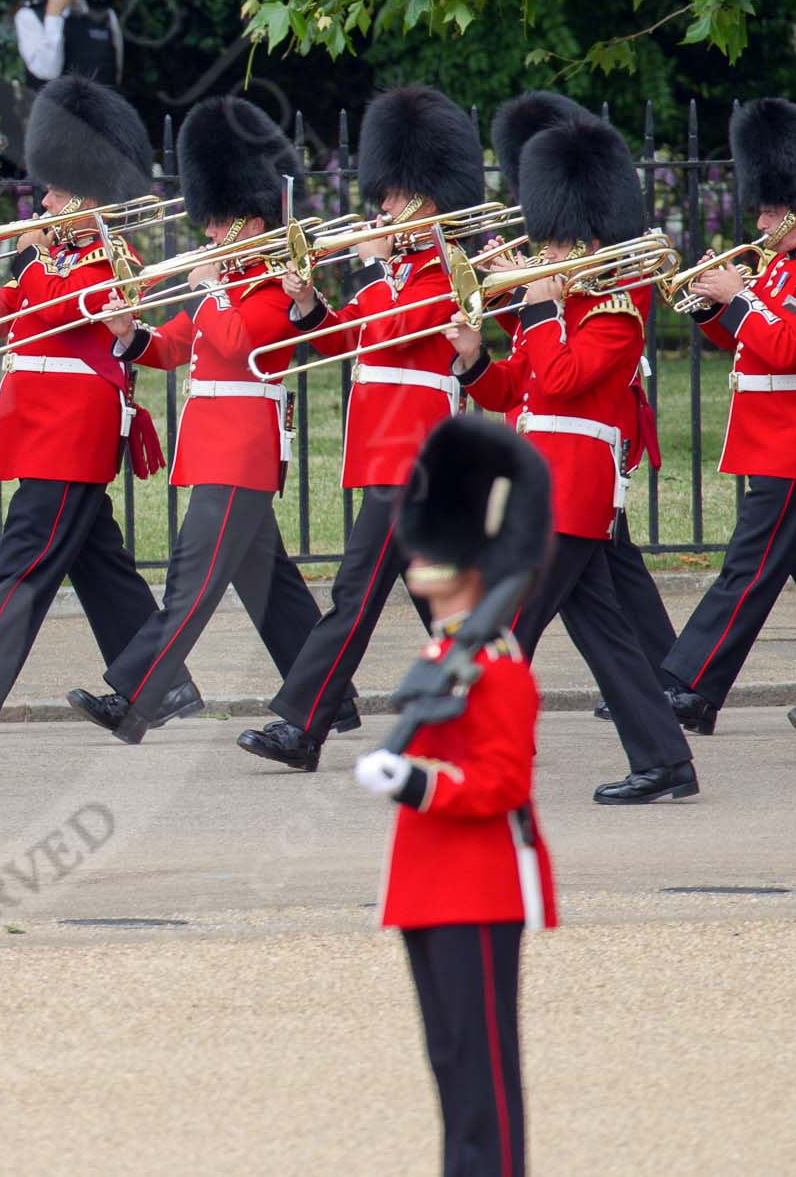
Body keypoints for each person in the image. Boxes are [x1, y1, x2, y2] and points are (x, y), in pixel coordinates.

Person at [0, 75, 197, 733]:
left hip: (73, 428)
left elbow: (76, 314)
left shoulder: (109, 259)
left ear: (88, 196)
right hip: (41, 426)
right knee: (102, 567)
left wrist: (39, 248)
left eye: (57, 192)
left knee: (24, 557)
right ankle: (163, 684)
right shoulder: (48, 261)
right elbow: (9, 315)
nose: (43, 201)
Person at [66, 95, 357, 744]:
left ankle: (135, 697)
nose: (209, 233)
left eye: (220, 222)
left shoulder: (278, 285)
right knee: (271, 588)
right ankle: (333, 699)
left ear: (252, 224)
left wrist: (211, 285)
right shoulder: (231, 281)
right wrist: (128, 333)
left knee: (190, 583)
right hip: (219, 449)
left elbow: (236, 343)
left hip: (241, 450)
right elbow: (176, 345)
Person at [445, 115, 699, 803]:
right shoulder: (557, 311)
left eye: (556, 242)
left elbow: (560, 380)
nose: (545, 254)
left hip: (574, 491)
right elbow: (513, 390)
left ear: (588, 244)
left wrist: (534, 306)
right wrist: (472, 357)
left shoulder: (614, 315)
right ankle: (666, 761)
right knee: (610, 639)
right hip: (543, 487)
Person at [239, 85, 479, 772]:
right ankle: (487, 721)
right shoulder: (390, 278)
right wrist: (309, 303)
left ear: (430, 202)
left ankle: (303, 724)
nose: (382, 209)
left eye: (396, 197)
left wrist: (375, 262)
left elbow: (401, 332)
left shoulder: (443, 275)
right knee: (444, 606)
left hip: (418, 457)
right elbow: (349, 339)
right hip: (385, 454)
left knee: (353, 596)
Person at [353, 414, 557, 1177]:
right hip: (428, 883)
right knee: (449, 1061)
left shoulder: (497, 666)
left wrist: (415, 779)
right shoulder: (445, 654)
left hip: (478, 883)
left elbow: (503, 781)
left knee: (483, 1073)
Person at [659, 97, 796, 744]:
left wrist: (742, 296)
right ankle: (694, 687)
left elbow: (788, 346)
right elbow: (754, 341)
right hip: (780, 438)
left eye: (766, 208)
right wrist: (711, 310)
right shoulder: (781, 265)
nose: (756, 219)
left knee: (747, 567)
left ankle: (690, 684)